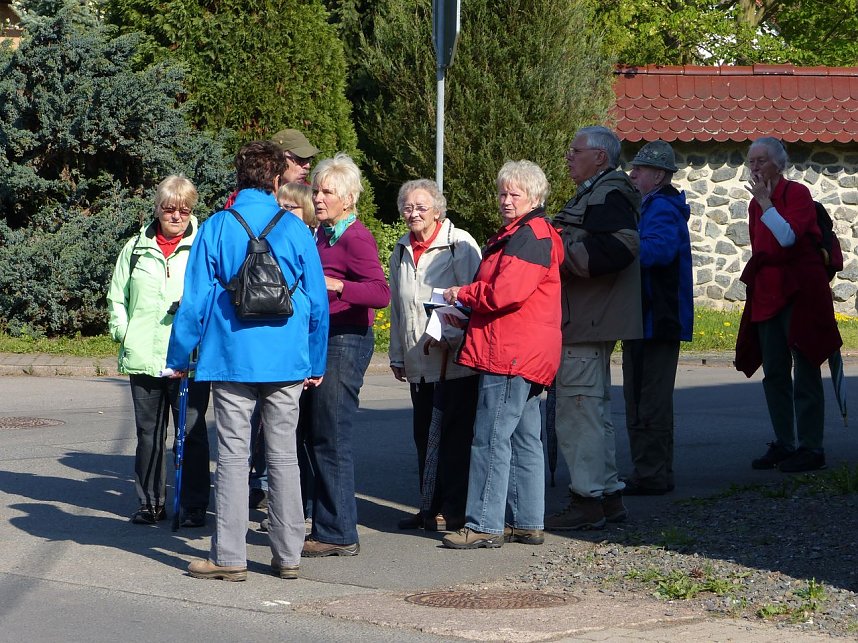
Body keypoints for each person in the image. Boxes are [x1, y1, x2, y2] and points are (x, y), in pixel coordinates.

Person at [166, 141, 329, 581]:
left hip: (231, 356)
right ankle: (289, 555)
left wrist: (179, 356)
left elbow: (196, 300)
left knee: (235, 457)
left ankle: (230, 557)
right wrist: (316, 360)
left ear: (239, 177)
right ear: (277, 179)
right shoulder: (295, 228)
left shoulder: (218, 227)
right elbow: (316, 302)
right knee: (283, 457)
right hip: (286, 359)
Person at [441, 160, 563, 550]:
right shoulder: (530, 233)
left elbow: (504, 293)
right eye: (503, 193)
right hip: (522, 348)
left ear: (534, 197)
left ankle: (484, 525)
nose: (506, 200)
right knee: (525, 437)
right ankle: (527, 522)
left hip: (511, 351)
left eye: (515, 194)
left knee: (490, 437)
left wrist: (461, 294)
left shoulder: (530, 236)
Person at [546, 126, 642, 532]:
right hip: (587, 320)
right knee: (593, 412)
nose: (568, 155)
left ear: (600, 157)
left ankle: (587, 502)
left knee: (579, 414)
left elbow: (623, 246)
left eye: (575, 149)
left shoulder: (610, 193)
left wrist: (561, 250)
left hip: (585, 321)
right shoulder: (601, 190)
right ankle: (607, 498)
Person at [107, 175, 211, 528]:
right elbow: (116, 296)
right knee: (149, 435)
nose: (177, 216)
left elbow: (214, 296)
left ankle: (195, 505)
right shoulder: (135, 248)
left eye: (184, 209)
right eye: (170, 209)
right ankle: (150, 503)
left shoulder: (203, 246)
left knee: (192, 433)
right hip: (144, 356)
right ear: (158, 209)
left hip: (189, 360)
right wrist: (124, 333)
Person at [302, 152, 391, 557]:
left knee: (331, 435)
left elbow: (380, 293)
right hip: (322, 337)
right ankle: (324, 523)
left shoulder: (357, 237)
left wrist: (336, 286)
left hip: (348, 338)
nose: (319, 198)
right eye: (317, 190)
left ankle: (338, 533)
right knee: (313, 433)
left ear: (349, 198)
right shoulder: (322, 234)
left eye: (328, 192)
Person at [735, 137, 842, 473]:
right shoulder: (756, 204)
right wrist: (763, 204)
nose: (754, 168)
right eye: (751, 161)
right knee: (775, 370)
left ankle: (811, 446)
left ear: (778, 165)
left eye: (761, 161)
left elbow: (788, 239)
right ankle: (785, 442)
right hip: (768, 290)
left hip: (798, 290)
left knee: (806, 365)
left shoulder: (796, 195)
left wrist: (767, 204)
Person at [388, 179, 481, 532]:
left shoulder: (459, 244)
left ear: (438, 211)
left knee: (455, 439)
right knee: (424, 436)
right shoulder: (400, 248)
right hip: (418, 362)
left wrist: (452, 336)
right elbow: (398, 308)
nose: (413, 213)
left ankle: (454, 511)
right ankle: (428, 507)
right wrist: (397, 355)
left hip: (454, 361)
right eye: (408, 207)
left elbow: (473, 297)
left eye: (421, 207)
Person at [245, 129, 321, 512]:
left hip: (262, 350)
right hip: (280, 349)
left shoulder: (227, 220)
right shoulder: (285, 223)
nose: (307, 166)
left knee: (268, 444)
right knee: (279, 445)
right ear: (279, 162)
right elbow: (318, 301)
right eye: (300, 159)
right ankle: (286, 544)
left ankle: (232, 551)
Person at [622, 140, 693, 495]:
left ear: (659, 175)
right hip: (649, 317)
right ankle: (654, 471)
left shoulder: (662, 208)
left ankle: (651, 474)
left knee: (648, 399)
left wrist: (621, 243)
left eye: (640, 169)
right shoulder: (653, 205)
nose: (632, 174)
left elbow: (656, 253)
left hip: (657, 318)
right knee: (644, 397)